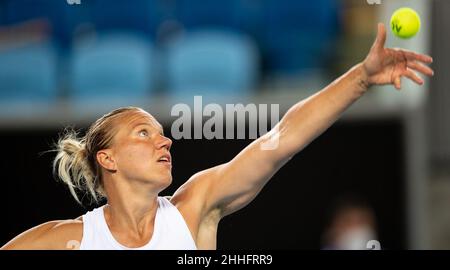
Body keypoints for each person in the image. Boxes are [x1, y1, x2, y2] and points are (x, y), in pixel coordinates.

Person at [0, 24, 434, 250]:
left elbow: (282, 138)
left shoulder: (194, 208)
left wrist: (361, 78)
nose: (165, 141)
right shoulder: (69, 240)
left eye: (163, 133)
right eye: (143, 133)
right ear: (108, 159)